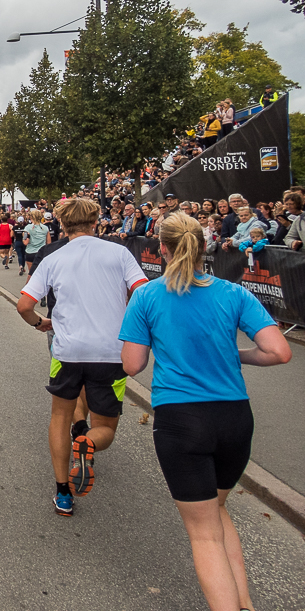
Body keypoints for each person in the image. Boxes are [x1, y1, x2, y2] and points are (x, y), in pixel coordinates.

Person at [120, 213, 291, 611]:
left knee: (204, 535)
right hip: (233, 418)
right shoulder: (233, 294)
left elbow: (131, 366)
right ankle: (244, 603)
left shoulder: (147, 296)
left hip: (181, 420)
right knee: (217, 509)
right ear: (204, 247)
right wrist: (237, 355)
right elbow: (280, 352)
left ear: (160, 248)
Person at [16, 197, 147, 516]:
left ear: (61, 224)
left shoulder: (53, 257)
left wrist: (40, 323)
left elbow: (24, 305)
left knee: (60, 417)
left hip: (68, 349)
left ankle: (63, 493)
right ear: (97, 220)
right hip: (110, 350)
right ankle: (87, 443)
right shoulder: (119, 252)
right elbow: (143, 293)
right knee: (105, 426)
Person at [22, 209, 50, 276]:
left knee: (32, 274)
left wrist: (25, 238)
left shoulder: (28, 228)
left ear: (31, 217)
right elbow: (49, 242)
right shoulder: (45, 228)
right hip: (41, 252)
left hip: (30, 252)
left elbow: (25, 242)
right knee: (41, 274)